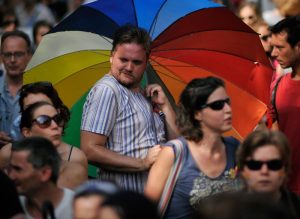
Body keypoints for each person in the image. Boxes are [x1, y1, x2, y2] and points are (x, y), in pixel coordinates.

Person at [80, 25, 178, 192]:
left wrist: (165, 106)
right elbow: (90, 150)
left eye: (136, 62)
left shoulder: (144, 94)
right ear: (111, 57)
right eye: (123, 60)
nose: (129, 67)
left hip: (157, 197)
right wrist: (142, 163)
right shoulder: (108, 90)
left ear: (146, 63)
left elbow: (177, 144)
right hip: (126, 199)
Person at [145, 77, 242, 219]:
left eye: (227, 102)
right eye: (218, 105)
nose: (227, 110)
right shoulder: (173, 153)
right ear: (197, 113)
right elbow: (144, 210)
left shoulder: (234, 147)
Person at [1, 101, 87, 189]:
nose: (55, 125)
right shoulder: (7, 155)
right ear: (27, 132)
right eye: (44, 121)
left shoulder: (76, 172)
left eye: (57, 119)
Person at [267, 16, 300, 194]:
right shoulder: (277, 85)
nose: (273, 53)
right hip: (286, 191)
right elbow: (275, 136)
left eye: (280, 47)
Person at [236, 130, 300, 218]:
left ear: (285, 169)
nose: (264, 171)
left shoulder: (296, 207)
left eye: (274, 164)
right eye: (255, 165)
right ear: (243, 169)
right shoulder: (223, 211)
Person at [8, 136, 74, 219]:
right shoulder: (10, 206)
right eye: (9, 169)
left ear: (45, 173)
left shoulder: (79, 210)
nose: (11, 176)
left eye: (18, 169)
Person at [0, 30, 31, 146]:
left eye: (18, 54)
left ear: (28, 56)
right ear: (1, 56)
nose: (12, 60)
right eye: (8, 54)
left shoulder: (39, 92)